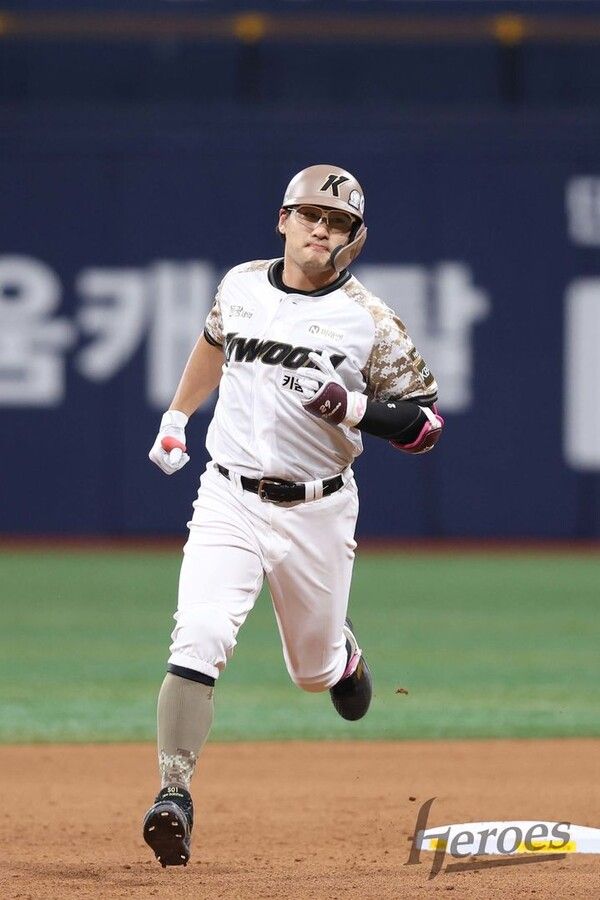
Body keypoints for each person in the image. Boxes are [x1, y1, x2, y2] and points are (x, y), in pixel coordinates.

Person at [143, 164, 443, 867]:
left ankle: (341, 656)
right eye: (311, 214)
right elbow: (214, 343)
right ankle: (174, 796)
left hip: (318, 509)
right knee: (200, 634)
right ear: (284, 219)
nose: (321, 230)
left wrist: (353, 406)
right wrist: (177, 416)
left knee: (314, 674)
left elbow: (428, 425)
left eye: (338, 223)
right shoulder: (242, 285)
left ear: (352, 239)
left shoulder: (368, 320)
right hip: (229, 495)